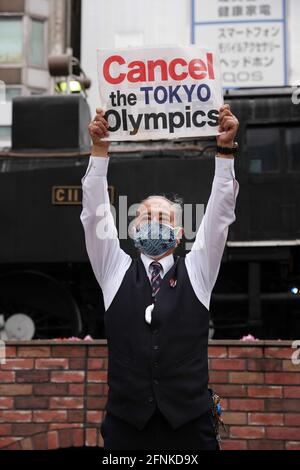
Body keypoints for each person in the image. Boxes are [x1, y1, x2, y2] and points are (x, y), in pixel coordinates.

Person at [80, 105, 239, 450]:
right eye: (145, 217)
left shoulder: (198, 270)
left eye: (163, 217)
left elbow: (219, 218)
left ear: (179, 233)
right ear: (132, 229)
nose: (153, 222)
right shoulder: (114, 269)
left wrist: (225, 153)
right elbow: (93, 215)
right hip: (127, 427)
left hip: (189, 427)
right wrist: (99, 151)